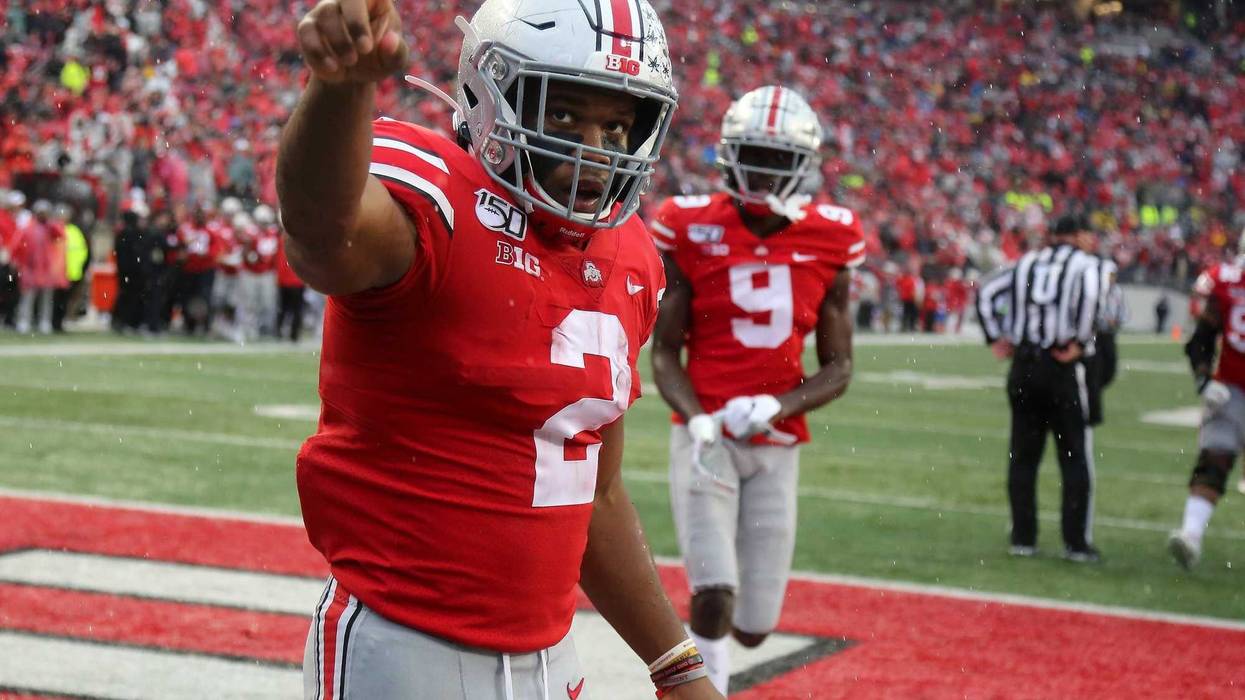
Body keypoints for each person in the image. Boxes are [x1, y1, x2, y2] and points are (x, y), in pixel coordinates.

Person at [277, 1, 718, 698]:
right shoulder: (438, 199)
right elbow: (321, 232)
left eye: (616, 124)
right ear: (492, 96)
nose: (594, 148)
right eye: (564, 115)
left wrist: (675, 664)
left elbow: (593, 490)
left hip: (554, 660)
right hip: (402, 649)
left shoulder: (633, 257)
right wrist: (340, 88)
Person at [649, 85, 861, 694]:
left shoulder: (832, 237)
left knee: (756, 626)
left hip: (777, 442)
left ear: (804, 163)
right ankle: (706, 688)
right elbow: (664, 351)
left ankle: (729, 647)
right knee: (712, 589)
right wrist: (696, 419)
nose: (764, 169)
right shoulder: (688, 226)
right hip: (706, 438)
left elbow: (840, 368)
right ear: (728, 154)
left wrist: (777, 404)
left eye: (776, 157)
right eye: (754, 154)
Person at [975, 214, 1102, 562]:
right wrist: (1080, 340)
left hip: (1025, 365)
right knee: (1074, 458)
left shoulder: (1027, 262)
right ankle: (1075, 542)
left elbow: (985, 291)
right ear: (1076, 235)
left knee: (1023, 457)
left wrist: (996, 338)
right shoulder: (1085, 265)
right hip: (1060, 366)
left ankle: (1023, 537)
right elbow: (1092, 298)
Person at [1167, 241, 1245, 569]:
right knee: (1215, 458)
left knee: (1215, 459)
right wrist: (1205, 381)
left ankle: (1192, 533)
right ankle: (1191, 534)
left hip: (1229, 385)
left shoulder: (1226, 282)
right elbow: (1201, 338)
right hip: (1229, 386)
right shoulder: (1226, 284)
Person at [1075, 223, 1124, 427]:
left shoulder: (1117, 292)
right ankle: (1092, 411)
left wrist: (1115, 322)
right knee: (1092, 373)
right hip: (1093, 334)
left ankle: (1090, 400)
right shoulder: (1093, 286)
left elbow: (1121, 314)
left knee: (1108, 370)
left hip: (1107, 334)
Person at [12, 200, 66, 335]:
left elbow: (60, 235)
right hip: (31, 268)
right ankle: (24, 321)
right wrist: (19, 262)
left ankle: (44, 322)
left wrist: (51, 222)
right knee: (28, 297)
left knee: (46, 298)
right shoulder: (29, 228)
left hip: (47, 269)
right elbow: (19, 246)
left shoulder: (50, 227)